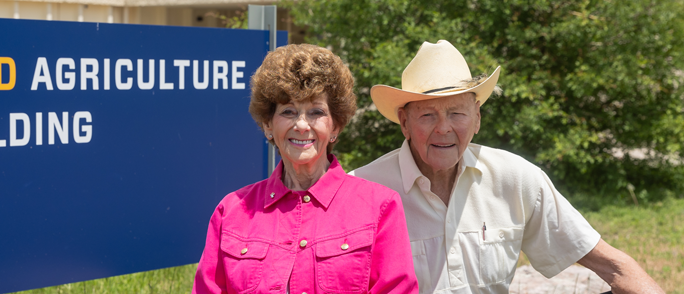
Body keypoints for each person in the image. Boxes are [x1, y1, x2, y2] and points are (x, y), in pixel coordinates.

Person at [350, 40, 664, 294]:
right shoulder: (361, 193)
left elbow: (614, 267)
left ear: (477, 118)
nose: (443, 129)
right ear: (404, 122)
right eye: (428, 115)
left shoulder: (515, 178)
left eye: (457, 114)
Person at [192, 44, 419, 294]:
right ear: (268, 124)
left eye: (316, 112)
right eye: (288, 111)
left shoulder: (380, 207)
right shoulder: (231, 213)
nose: (301, 125)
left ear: (335, 126)